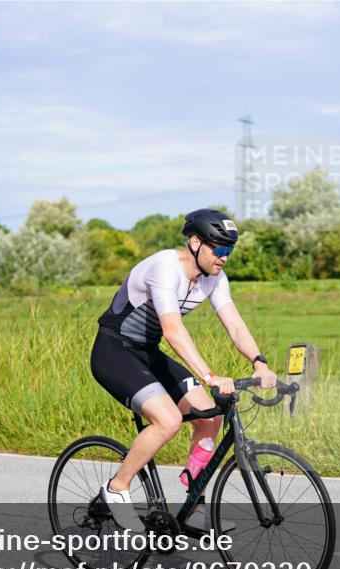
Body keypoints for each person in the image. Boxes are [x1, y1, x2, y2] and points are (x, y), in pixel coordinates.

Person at [90, 209, 277, 533]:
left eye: (229, 250)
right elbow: (173, 330)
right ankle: (117, 488)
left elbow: (234, 325)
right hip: (113, 351)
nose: (224, 258)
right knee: (169, 420)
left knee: (210, 415)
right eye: (219, 249)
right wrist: (209, 376)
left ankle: (194, 504)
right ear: (194, 242)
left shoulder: (214, 278)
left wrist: (259, 362)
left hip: (147, 353)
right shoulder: (165, 268)